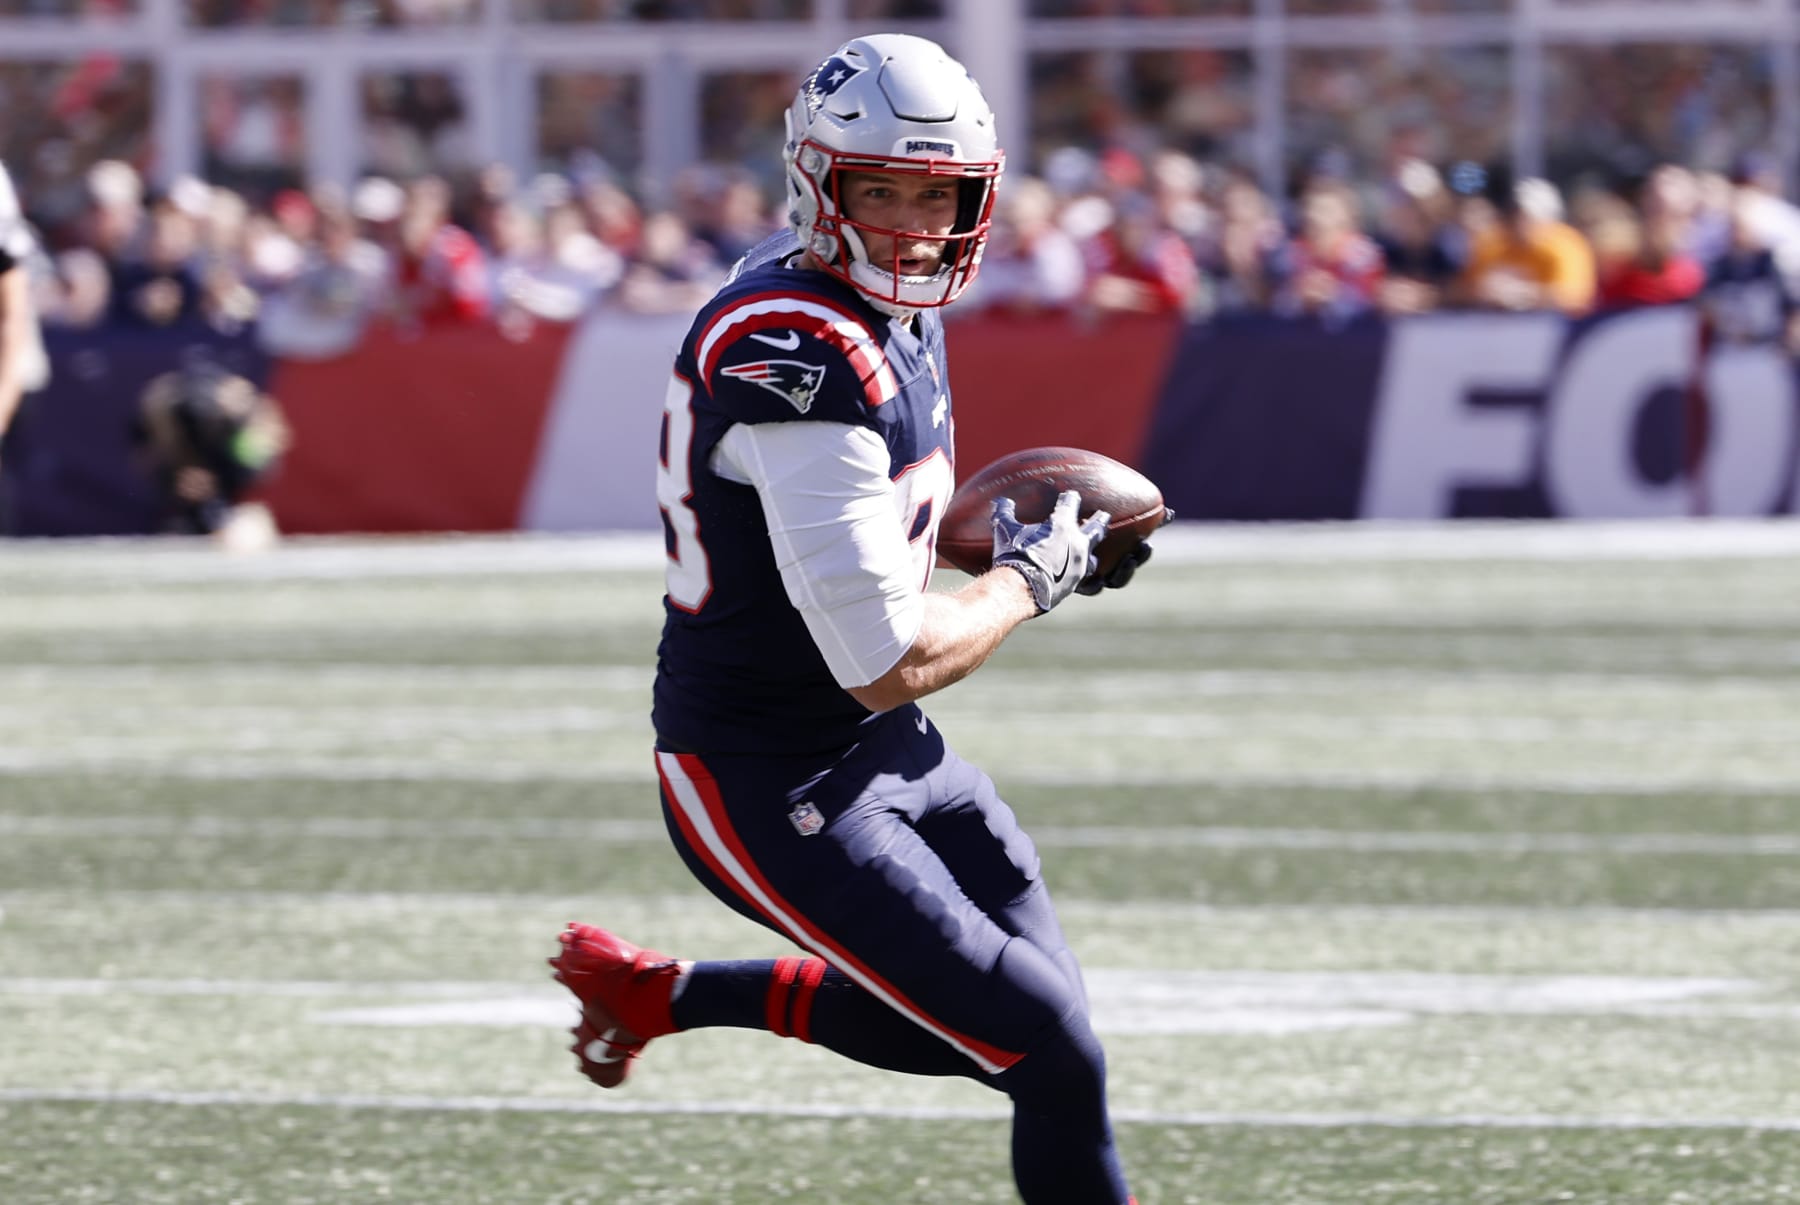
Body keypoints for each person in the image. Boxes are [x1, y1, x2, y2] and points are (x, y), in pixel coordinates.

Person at [548, 33, 1148, 1205]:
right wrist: (1031, 577)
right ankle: (660, 997)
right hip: (764, 771)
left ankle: (659, 995)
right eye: (881, 191)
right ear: (822, 185)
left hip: (877, 749)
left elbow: (878, 541)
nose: (914, 223)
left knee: (1017, 1024)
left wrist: (1005, 549)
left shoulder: (889, 311)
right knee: (1048, 1051)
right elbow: (883, 656)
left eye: (940, 195)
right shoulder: (796, 346)